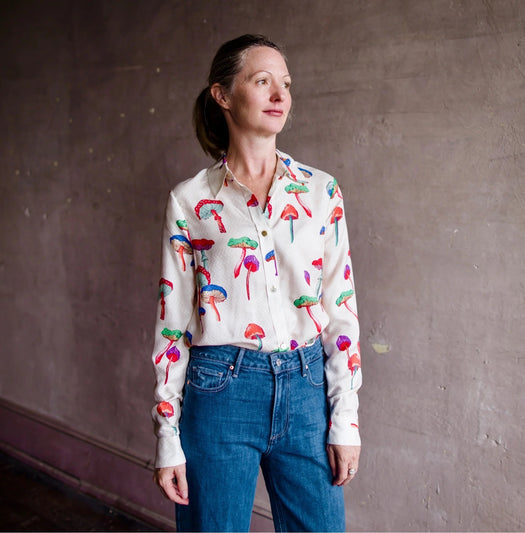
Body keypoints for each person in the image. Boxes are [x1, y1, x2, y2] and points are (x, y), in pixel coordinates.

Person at [151, 34, 361, 532]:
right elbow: (172, 325)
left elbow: (341, 309)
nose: (279, 95)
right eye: (262, 81)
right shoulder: (190, 201)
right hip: (220, 390)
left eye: (285, 84)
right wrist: (166, 437)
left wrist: (345, 417)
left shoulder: (320, 191)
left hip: (308, 386)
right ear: (222, 95)